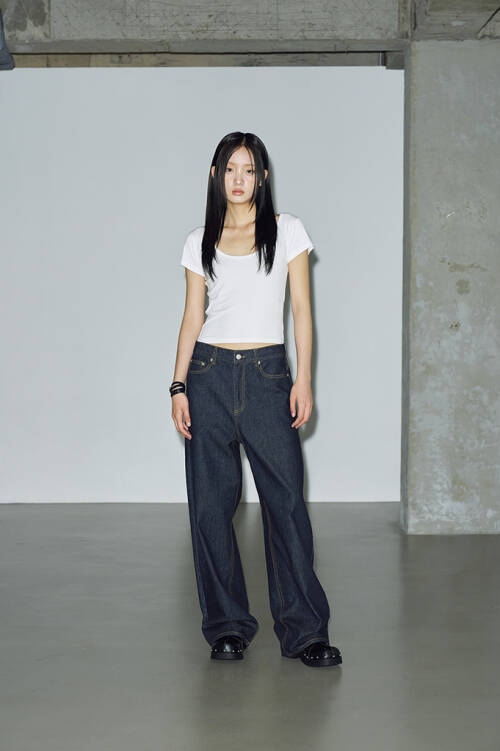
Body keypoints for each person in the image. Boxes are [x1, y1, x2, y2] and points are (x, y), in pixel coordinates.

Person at [170, 132, 342, 669]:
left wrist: (303, 378)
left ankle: (305, 632)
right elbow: (192, 317)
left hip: (268, 376)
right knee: (210, 508)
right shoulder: (199, 240)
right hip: (208, 375)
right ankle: (227, 627)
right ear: (215, 175)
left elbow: (302, 311)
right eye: (230, 169)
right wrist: (178, 385)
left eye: (249, 169)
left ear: (263, 177)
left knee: (286, 505)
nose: (239, 179)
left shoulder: (287, 231)